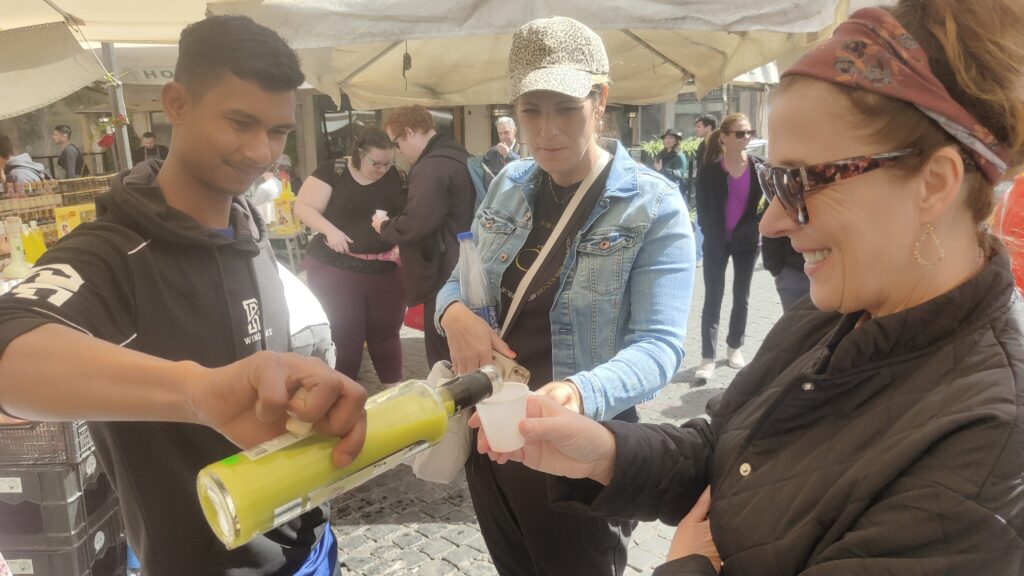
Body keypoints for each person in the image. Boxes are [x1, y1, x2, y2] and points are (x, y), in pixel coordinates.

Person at [472, 1, 1024, 574]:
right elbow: (728, 450)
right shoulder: (832, 312)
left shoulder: (989, 437)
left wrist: (688, 566)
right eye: (772, 179)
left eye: (802, 181)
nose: (771, 223)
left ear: (934, 183)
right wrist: (607, 453)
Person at [0, 16, 369, 576]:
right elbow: (9, 345)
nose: (260, 151)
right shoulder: (113, 251)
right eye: (240, 122)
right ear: (176, 103)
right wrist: (198, 392)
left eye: (277, 131)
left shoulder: (248, 227)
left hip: (312, 545)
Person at [435, 16, 693, 576]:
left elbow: (660, 346)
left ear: (600, 102)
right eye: (532, 111)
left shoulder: (653, 205)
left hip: (580, 446)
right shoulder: (508, 184)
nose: (547, 130)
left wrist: (578, 392)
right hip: (495, 435)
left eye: (566, 109)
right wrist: (451, 311)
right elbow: (463, 277)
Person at [296, 127, 406, 384]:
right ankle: (342, 393)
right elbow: (303, 207)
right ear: (360, 154)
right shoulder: (333, 171)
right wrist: (330, 231)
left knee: (387, 334)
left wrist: (401, 241)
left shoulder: (398, 176)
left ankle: (395, 391)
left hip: (384, 269)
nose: (382, 169)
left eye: (388, 163)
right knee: (346, 335)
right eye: (376, 163)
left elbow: (407, 217)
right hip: (337, 267)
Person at [373, 105, 476, 367]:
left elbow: (417, 223)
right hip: (464, 265)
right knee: (462, 349)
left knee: (444, 358)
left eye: (397, 143)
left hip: (442, 273)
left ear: (409, 132)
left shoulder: (431, 167)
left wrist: (384, 226)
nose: (398, 151)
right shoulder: (458, 155)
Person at [694, 113, 762, 381]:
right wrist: (709, 230)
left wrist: (757, 225)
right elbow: (701, 206)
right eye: (740, 133)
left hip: (747, 242)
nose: (746, 137)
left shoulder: (760, 169)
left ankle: (735, 346)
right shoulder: (709, 171)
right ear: (723, 137)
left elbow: (770, 203)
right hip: (716, 241)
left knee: (741, 296)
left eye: (749, 133)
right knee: (713, 297)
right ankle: (707, 357)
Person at [762, 234, 808, 311]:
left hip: (793, 271)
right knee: (794, 316)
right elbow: (771, 233)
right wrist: (777, 268)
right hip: (792, 272)